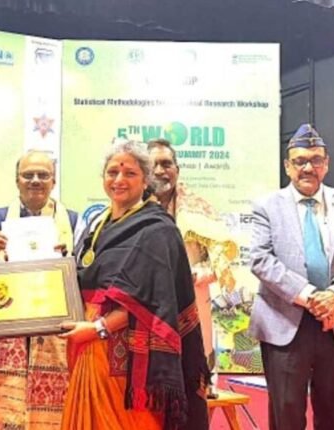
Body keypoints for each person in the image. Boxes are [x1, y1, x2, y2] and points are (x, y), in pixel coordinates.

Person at [60, 139, 209, 430]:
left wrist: (98, 329)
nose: (119, 180)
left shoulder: (158, 230)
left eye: (130, 173)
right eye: (112, 172)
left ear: (145, 180)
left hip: (126, 360)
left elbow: (153, 300)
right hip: (88, 349)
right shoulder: (98, 225)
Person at [249, 124, 334, 430]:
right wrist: (313, 298)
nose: (308, 168)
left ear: (327, 164)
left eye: (315, 160)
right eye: (300, 161)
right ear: (287, 166)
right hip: (284, 324)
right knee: (286, 416)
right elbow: (260, 259)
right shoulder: (266, 206)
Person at [0, 150, 80, 429]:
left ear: (53, 181)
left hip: (55, 326)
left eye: (43, 175)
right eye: (28, 175)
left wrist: (67, 258)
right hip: (12, 325)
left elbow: (84, 272)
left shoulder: (72, 221)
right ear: (17, 180)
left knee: (57, 407)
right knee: (12, 405)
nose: (35, 180)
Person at [148, 138, 238, 367]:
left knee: (194, 371)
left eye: (166, 164)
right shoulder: (132, 208)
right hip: (147, 307)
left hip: (192, 303)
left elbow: (220, 263)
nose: (159, 171)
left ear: (177, 170)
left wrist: (196, 274)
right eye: (152, 165)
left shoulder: (200, 210)